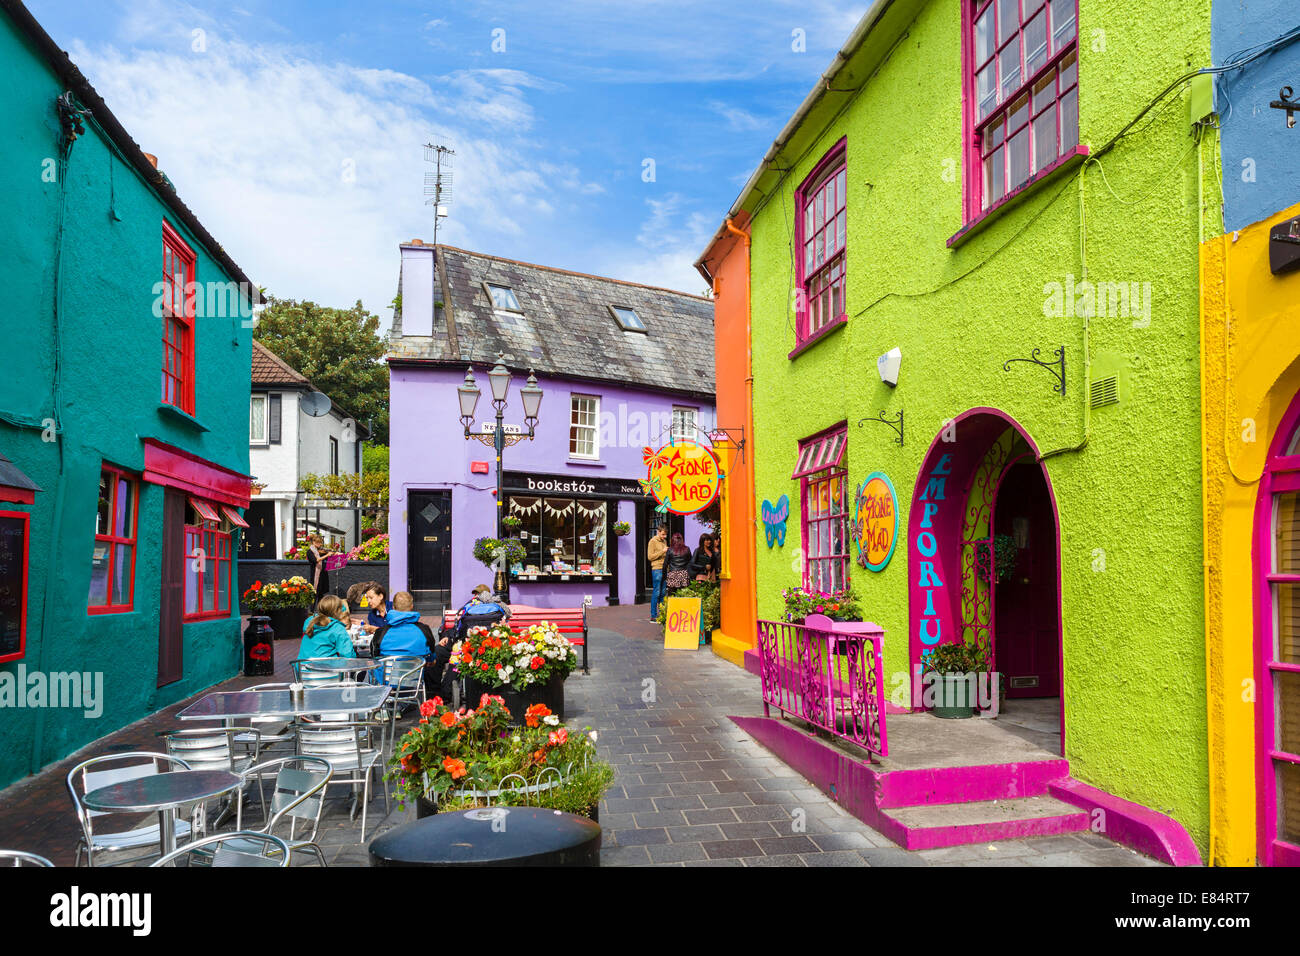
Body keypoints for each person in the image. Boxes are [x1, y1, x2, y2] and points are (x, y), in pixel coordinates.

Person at [371, 591, 436, 659]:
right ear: (412, 607)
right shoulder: (424, 630)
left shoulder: (381, 632)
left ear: (393, 607)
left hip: (389, 668)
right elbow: (431, 652)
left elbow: (374, 655)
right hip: (415, 668)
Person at [298, 594, 354, 660]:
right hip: (326, 668)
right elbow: (348, 655)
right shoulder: (337, 628)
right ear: (338, 611)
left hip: (302, 667)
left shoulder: (309, 622)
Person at [647, 524, 668, 620]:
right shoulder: (652, 541)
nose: (664, 536)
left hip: (664, 569)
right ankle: (653, 616)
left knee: (663, 593)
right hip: (656, 569)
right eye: (663, 534)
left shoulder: (664, 541)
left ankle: (662, 614)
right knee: (657, 592)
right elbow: (650, 557)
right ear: (658, 532)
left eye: (665, 535)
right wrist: (663, 551)